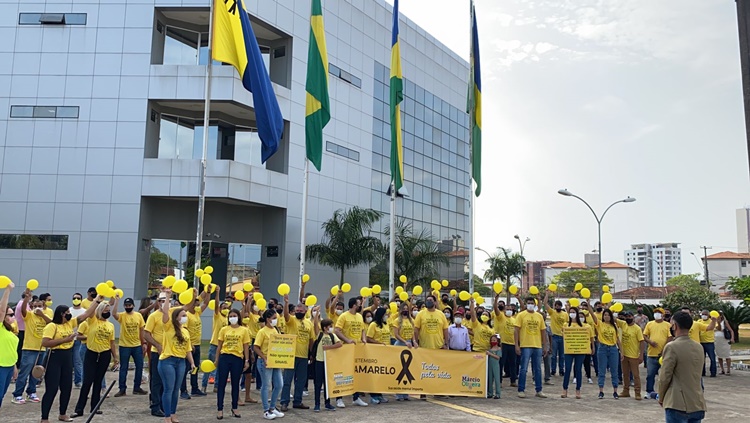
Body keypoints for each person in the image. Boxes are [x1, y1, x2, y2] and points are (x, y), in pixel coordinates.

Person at [41, 296, 100, 423]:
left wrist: (98, 301)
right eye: (67, 313)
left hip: (67, 357)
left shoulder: (70, 323)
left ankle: (62, 414)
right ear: (61, 314)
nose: (69, 315)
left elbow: (86, 314)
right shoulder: (52, 326)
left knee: (67, 387)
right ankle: (44, 418)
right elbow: (45, 342)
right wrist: (65, 340)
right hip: (55, 357)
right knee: (52, 389)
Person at [72, 299, 119, 418]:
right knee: (87, 382)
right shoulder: (92, 320)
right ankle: (79, 409)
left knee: (98, 382)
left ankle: (95, 407)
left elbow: (112, 342)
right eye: (105, 310)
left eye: (108, 311)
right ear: (100, 311)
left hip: (105, 354)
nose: (107, 312)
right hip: (91, 353)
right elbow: (89, 312)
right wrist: (98, 300)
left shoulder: (110, 325)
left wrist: (115, 358)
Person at [658, 311, 707, 423]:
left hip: (677, 403)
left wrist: (661, 397)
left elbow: (665, 376)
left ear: (674, 325)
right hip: (696, 402)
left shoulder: (672, 347)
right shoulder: (698, 347)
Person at [157, 301, 195, 423]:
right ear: (176, 317)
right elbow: (165, 312)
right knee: (169, 388)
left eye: (185, 315)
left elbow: (188, 349)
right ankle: (167, 416)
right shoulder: (168, 326)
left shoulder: (185, 331)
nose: (185, 317)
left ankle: (173, 413)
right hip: (168, 361)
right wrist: (168, 297)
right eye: (182, 315)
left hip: (181, 362)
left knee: (176, 389)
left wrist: (193, 363)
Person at [12, 289, 51, 404]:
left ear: (43, 306)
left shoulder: (46, 316)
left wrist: (42, 314)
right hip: (29, 348)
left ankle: (31, 392)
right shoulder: (29, 315)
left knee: (36, 372)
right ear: (32, 306)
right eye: (35, 306)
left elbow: (52, 323)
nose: (37, 308)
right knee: (24, 372)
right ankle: (17, 394)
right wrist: (26, 299)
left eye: (40, 306)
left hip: (41, 348)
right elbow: (23, 311)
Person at [215, 308, 250, 419]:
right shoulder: (224, 329)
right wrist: (217, 359)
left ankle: (235, 407)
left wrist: (246, 361)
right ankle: (220, 409)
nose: (232, 318)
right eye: (230, 316)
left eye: (234, 316)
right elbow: (219, 346)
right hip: (225, 357)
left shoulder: (244, 330)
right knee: (221, 384)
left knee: (235, 384)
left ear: (238, 317)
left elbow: (246, 347)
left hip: (237, 358)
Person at [279, 295, 313, 411]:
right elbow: (286, 315)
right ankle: (284, 402)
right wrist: (286, 303)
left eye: (301, 311)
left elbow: (311, 339)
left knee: (301, 381)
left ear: (305, 311)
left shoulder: (309, 323)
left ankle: (298, 401)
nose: (298, 312)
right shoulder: (292, 320)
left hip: (303, 356)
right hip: (291, 355)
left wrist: (311, 353)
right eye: (297, 310)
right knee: (287, 380)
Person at [414, 294, 449, 400]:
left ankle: (437, 391)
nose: (428, 301)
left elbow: (445, 329)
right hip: (424, 347)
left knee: (437, 371)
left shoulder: (441, 314)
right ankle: (423, 392)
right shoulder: (420, 314)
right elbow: (416, 329)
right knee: (424, 371)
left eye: (430, 300)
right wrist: (416, 341)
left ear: (435, 302)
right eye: (427, 300)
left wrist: (446, 342)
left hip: (438, 346)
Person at [334, 297, 367, 407]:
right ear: (354, 305)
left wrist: (363, 338)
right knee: (343, 373)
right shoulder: (344, 316)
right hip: (346, 349)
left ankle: (356, 397)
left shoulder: (359, 316)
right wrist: (347, 340)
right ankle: (339, 398)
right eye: (358, 304)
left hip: (357, 349)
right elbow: (337, 330)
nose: (360, 306)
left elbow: (363, 329)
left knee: (356, 373)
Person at [254, 308, 285, 420]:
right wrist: (264, 357)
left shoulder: (275, 330)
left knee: (279, 384)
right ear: (267, 319)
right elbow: (256, 347)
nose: (275, 320)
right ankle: (266, 410)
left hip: (275, 361)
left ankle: (272, 407)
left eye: (276, 318)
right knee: (266, 385)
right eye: (274, 318)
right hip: (264, 361)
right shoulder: (262, 331)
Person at [514, 297, 548, 398]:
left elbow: (543, 331)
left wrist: (545, 345)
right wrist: (517, 345)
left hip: (537, 345)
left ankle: (539, 390)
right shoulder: (521, 315)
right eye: (528, 303)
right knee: (523, 369)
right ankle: (521, 389)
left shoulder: (539, 316)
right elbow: (516, 330)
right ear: (525, 304)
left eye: (532, 303)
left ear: (535, 304)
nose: (530, 304)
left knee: (537, 369)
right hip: (525, 345)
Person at [144, 292, 171, 417]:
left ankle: (162, 404)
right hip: (157, 353)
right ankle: (155, 406)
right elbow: (146, 334)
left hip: (170, 353)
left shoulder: (172, 314)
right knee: (156, 380)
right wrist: (157, 345)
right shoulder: (153, 316)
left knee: (166, 381)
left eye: (165, 300)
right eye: (160, 300)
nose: (163, 303)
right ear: (157, 302)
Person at [114, 297, 148, 397]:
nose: (128, 307)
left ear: (133, 305)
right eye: (126, 305)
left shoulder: (138, 316)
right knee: (123, 368)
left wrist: (144, 342)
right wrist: (116, 301)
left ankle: (137, 387)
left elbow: (142, 330)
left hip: (137, 345)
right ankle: (122, 389)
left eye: (129, 305)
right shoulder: (122, 316)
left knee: (140, 366)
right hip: (124, 345)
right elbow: (114, 314)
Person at [561, 306, 595, 399]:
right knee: (567, 369)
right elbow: (564, 336)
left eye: (573, 312)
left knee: (578, 369)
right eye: (570, 312)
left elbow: (591, 337)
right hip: (569, 350)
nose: (572, 314)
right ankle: (565, 389)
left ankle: (578, 390)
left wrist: (592, 347)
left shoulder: (586, 326)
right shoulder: (565, 325)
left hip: (581, 350)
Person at [588, 308, 623, 399]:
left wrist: (621, 352)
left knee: (614, 371)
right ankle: (601, 391)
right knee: (601, 371)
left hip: (613, 349)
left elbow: (618, 340)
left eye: (608, 315)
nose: (606, 316)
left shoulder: (614, 326)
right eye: (605, 315)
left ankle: (615, 391)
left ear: (611, 316)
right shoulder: (600, 324)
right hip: (602, 348)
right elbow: (593, 315)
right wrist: (588, 305)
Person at [181, 289, 208, 399]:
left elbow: (205, 302)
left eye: (198, 304)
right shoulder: (187, 315)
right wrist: (190, 344)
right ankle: (183, 390)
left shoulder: (197, 313)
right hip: (189, 346)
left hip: (197, 344)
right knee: (186, 368)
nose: (198, 306)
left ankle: (195, 388)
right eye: (196, 304)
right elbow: (185, 330)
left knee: (195, 367)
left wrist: (208, 291)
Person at [312, 313, 341, 411]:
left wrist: (328, 347)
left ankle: (327, 403)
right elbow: (315, 325)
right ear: (325, 328)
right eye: (330, 326)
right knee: (318, 384)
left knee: (327, 384)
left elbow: (339, 344)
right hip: (319, 361)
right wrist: (316, 315)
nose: (331, 328)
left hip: (328, 363)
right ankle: (317, 404)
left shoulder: (332, 336)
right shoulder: (319, 334)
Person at [202, 288, 228, 395]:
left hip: (225, 346)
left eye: (227, 308)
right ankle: (204, 385)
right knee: (210, 365)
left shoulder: (228, 319)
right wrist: (217, 293)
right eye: (224, 308)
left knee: (220, 368)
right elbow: (217, 304)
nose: (226, 309)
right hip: (215, 344)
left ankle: (217, 386)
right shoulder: (217, 316)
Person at [643, 307, 673, 399]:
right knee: (650, 374)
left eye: (659, 313)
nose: (657, 314)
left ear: (663, 315)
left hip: (664, 355)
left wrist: (664, 348)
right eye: (655, 313)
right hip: (651, 354)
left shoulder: (667, 325)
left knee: (665, 375)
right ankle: (649, 391)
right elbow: (644, 335)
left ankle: (665, 392)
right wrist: (650, 342)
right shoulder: (650, 324)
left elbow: (670, 337)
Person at [365, 307, 391, 404]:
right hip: (375, 352)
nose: (387, 316)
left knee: (382, 375)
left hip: (385, 353)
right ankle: (373, 396)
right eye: (385, 314)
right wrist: (379, 343)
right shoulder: (373, 325)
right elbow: (368, 338)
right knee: (374, 375)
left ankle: (380, 395)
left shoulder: (386, 324)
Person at [0, 282, 19, 409]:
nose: (13, 317)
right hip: (0, 366)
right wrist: (8, 290)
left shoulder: (10, 330)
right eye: (10, 315)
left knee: (1, 396)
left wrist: (15, 367)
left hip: (9, 366)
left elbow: (12, 350)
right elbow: (1, 310)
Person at [619, 310, 645, 400]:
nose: (628, 318)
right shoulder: (623, 324)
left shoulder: (637, 328)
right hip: (624, 354)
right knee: (625, 374)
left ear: (633, 317)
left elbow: (642, 342)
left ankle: (637, 392)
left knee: (635, 375)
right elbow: (613, 319)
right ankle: (626, 391)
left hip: (634, 355)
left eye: (630, 316)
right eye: (626, 317)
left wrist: (641, 355)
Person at [493, 296, 517, 387]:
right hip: (502, 344)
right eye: (507, 309)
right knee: (500, 363)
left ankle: (513, 381)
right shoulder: (501, 316)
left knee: (513, 363)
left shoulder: (514, 319)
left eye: (510, 309)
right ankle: (499, 381)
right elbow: (495, 309)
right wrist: (496, 299)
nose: (509, 310)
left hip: (512, 344)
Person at [544, 293, 567, 378]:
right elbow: (545, 304)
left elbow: (568, 324)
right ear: (554, 306)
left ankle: (561, 370)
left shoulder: (565, 314)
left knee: (562, 355)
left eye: (559, 306)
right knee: (553, 356)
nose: (557, 307)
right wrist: (547, 293)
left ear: (561, 306)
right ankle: (553, 370)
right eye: (556, 306)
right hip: (554, 336)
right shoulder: (552, 312)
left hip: (563, 336)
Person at [69, 293, 86, 389]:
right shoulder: (69, 311)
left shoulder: (84, 311)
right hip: (68, 339)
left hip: (78, 340)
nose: (76, 299)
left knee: (77, 361)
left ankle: (78, 381)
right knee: (67, 362)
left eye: (78, 298)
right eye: (74, 298)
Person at [696, 310, 717, 378]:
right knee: (702, 358)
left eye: (705, 314)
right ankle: (702, 372)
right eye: (702, 314)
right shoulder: (699, 321)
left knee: (712, 358)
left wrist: (714, 321)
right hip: (701, 342)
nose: (704, 315)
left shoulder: (711, 321)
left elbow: (714, 327)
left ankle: (713, 372)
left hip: (709, 342)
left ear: (708, 315)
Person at [487, 334, 502, 399]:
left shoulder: (499, 349)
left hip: (496, 366)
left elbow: (498, 357)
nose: (493, 341)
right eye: (492, 340)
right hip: (490, 365)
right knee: (490, 379)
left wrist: (490, 354)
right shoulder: (490, 349)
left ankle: (498, 393)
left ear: (497, 341)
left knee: (497, 379)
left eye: (494, 340)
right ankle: (490, 393)